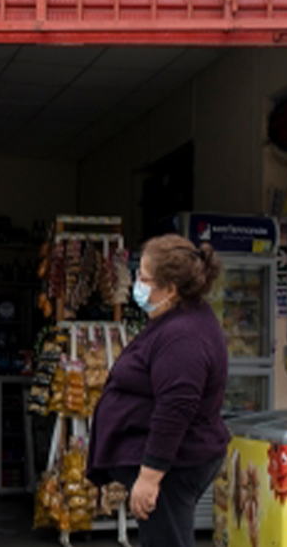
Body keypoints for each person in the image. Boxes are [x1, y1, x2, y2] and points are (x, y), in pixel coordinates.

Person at [89, 234, 230, 547]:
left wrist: (150, 478)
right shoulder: (175, 318)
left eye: (144, 278)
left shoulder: (184, 337)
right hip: (171, 463)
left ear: (171, 288)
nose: (138, 284)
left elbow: (175, 408)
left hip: (173, 467)